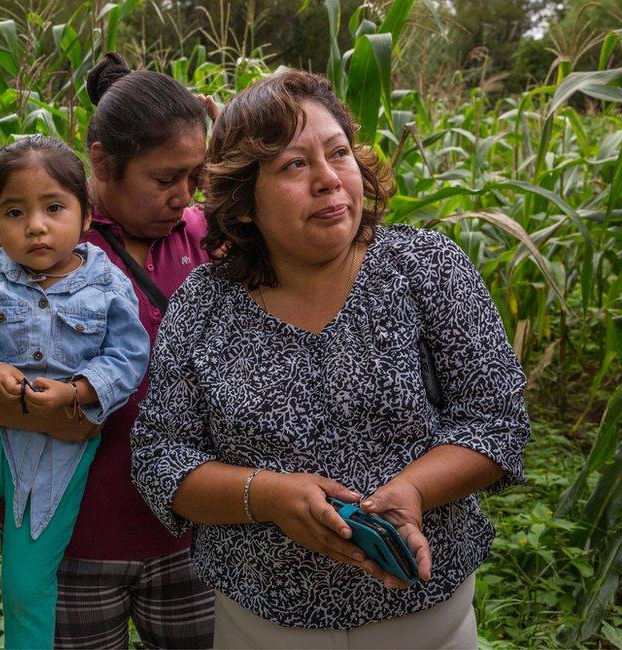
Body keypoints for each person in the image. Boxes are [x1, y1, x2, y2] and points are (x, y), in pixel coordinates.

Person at [130, 69, 531, 649]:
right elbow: (161, 458)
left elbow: (497, 420)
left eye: (338, 153)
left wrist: (412, 491)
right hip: (258, 625)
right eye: (294, 165)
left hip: (427, 621)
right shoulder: (204, 304)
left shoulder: (426, 268)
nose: (328, 179)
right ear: (243, 203)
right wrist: (268, 494)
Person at [0, 53, 217, 649]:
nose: (182, 196)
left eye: (194, 177)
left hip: (190, 537)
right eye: (163, 179)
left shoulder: (203, 234)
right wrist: (49, 416)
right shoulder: (34, 237)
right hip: (71, 539)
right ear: (102, 162)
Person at [0, 134, 150, 649]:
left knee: (27, 586)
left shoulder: (109, 286)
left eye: (53, 207)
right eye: (14, 213)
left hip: (59, 458)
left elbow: (129, 357)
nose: (37, 226)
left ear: (85, 215)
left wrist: (77, 391)